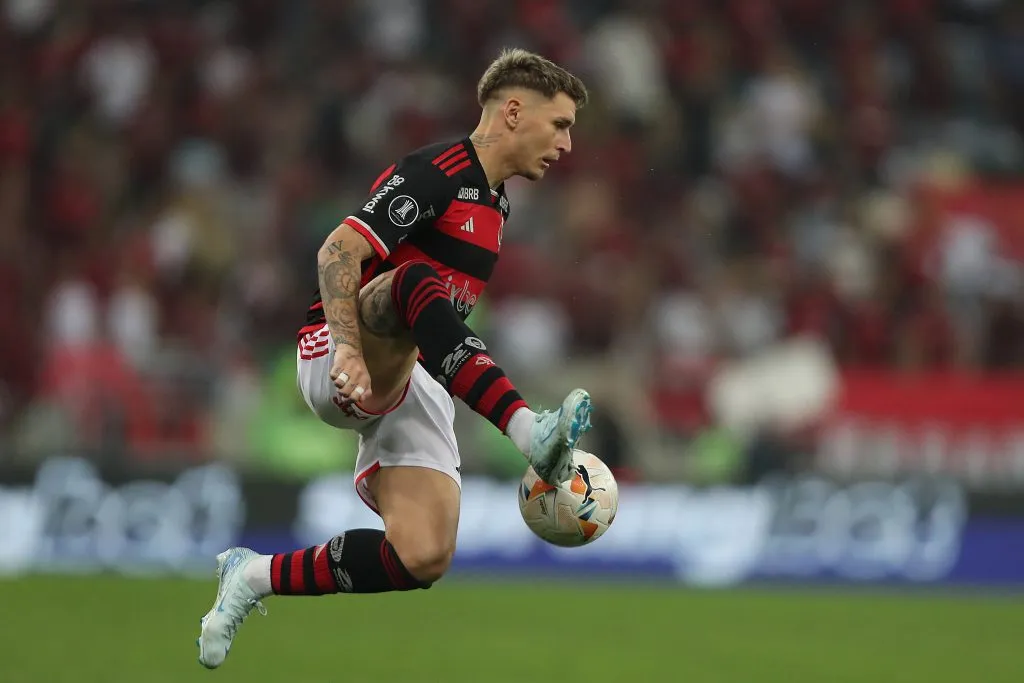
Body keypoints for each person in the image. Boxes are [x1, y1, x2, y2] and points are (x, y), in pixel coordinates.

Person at [197, 48, 592, 669]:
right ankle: (530, 432)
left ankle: (252, 576)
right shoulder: (435, 172)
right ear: (514, 112)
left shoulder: (496, 206)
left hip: (410, 375)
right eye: (561, 124)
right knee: (411, 281)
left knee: (423, 556)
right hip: (338, 351)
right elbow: (337, 252)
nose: (567, 144)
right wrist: (348, 347)